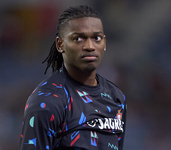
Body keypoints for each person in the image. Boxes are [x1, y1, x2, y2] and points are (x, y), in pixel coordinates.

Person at [19, 5, 127, 150]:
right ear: (60, 44)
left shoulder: (116, 98)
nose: (90, 46)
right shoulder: (46, 102)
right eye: (78, 39)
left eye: (97, 38)